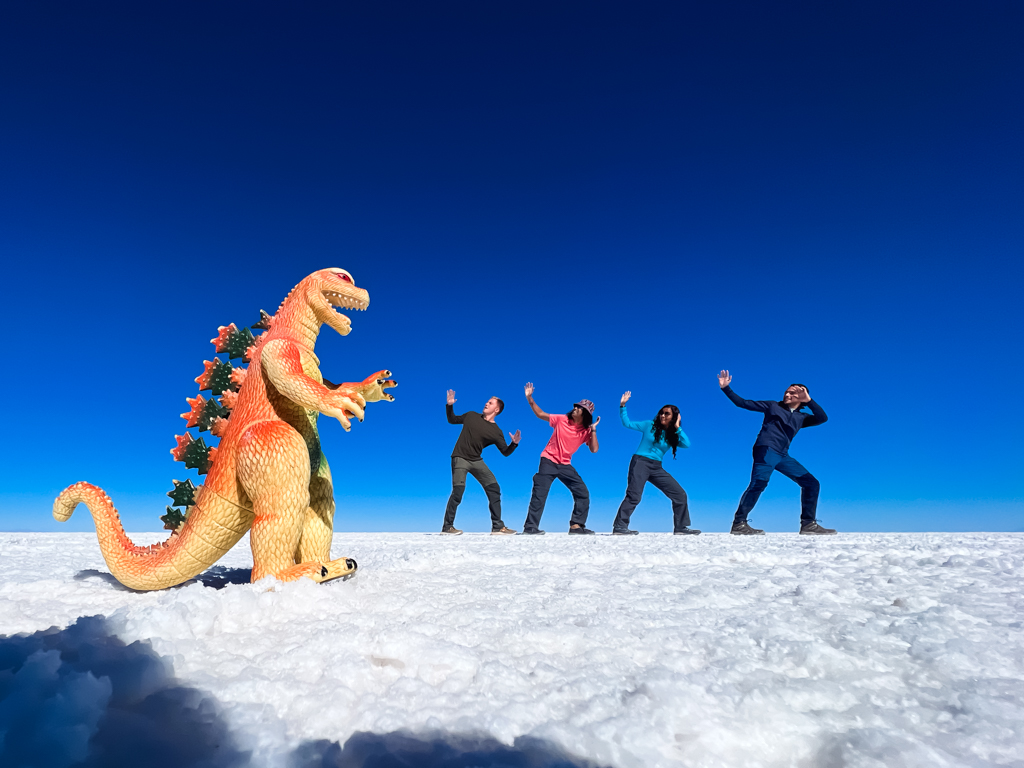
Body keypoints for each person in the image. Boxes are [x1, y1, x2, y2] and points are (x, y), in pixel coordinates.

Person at [718, 370, 835, 535]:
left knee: (811, 483)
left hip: (783, 455)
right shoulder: (773, 406)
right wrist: (726, 389)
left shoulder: (801, 418)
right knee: (759, 483)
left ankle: (808, 524)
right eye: (787, 391)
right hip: (766, 449)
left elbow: (822, 418)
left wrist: (809, 401)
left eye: (793, 392)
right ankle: (739, 523)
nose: (787, 394)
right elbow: (743, 403)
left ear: (802, 396)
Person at [612, 391, 699, 535]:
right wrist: (623, 406)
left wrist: (678, 427)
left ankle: (680, 528)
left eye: (667, 414)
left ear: (674, 417)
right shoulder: (649, 425)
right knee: (634, 495)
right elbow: (627, 423)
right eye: (661, 413)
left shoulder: (673, 435)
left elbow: (687, 444)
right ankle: (620, 527)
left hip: (656, 467)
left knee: (680, 494)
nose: (663, 415)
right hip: (640, 462)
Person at [521, 382, 599, 535]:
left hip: (565, 465)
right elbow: (541, 414)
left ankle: (576, 526)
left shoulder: (585, 431)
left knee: (582, 493)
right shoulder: (562, 419)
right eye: (576, 406)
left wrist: (594, 430)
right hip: (548, 461)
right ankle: (530, 527)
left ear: (585, 414)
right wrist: (530, 398)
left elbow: (594, 449)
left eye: (579, 408)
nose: (575, 409)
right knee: (540, 494)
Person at [442, 389, 521, 535]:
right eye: (487, 402)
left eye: (490, 403)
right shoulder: (471, 415)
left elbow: (505, 452)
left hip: (476, 461)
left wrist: (514, 444)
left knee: (494, 488)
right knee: (458, 491)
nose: (486, 403)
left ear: (496, 409)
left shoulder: (496, 431)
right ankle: (447, 527)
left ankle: (497, 527)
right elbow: (452, 419)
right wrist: (449, 405)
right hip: (460, 457)